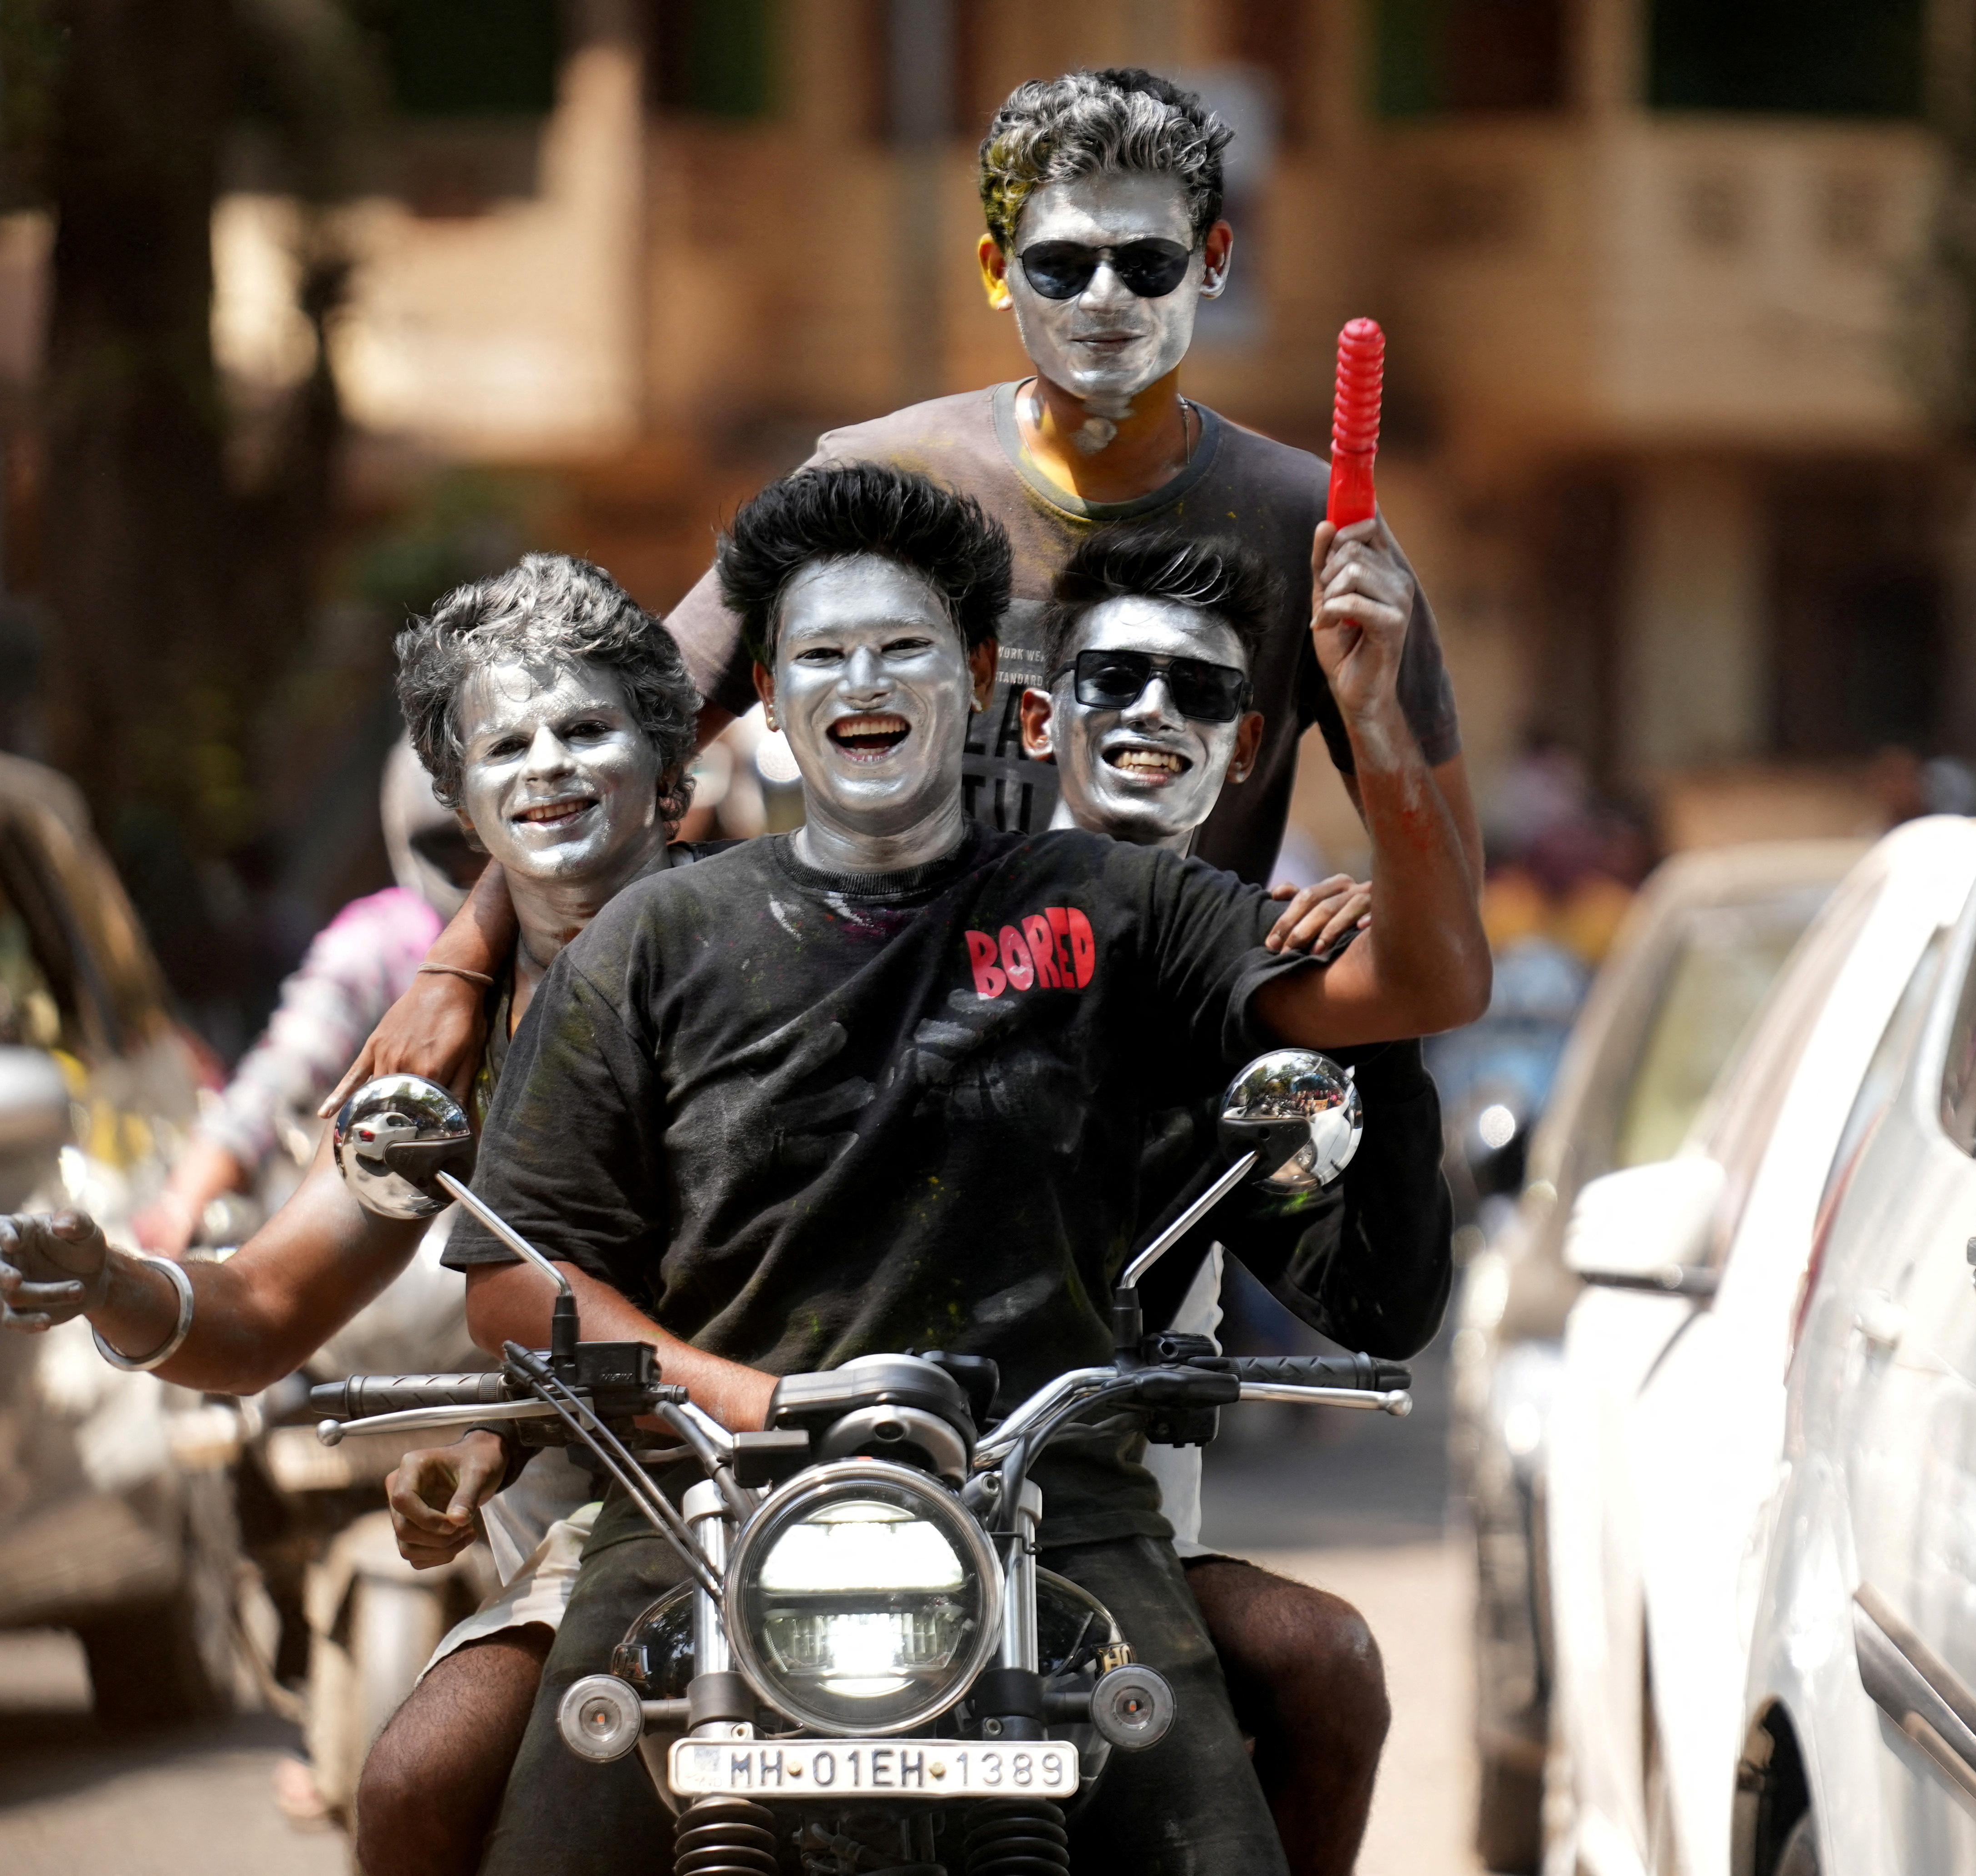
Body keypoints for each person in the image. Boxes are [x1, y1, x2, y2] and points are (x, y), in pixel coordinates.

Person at [410, 459, 1462, 1876]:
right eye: (821, 655)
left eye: (903, 647)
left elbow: (1425, 978)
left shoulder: (1117, 903)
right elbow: (513, 1285)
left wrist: (1376, 717)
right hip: (711, 1513)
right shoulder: (651, 940)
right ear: (771, 706)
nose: (864, 681)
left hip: (1054, 1516)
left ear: (977, 679)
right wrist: (746, 1398)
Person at [323, 64, 1489, 1114]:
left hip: (1131, 1130)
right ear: (996, 272)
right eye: (1059, 263)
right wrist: (459, 968)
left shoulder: (1309, 530)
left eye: (1145, 263)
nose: (1102, 299)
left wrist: (1370, 860)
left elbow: (1446, 923)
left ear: (1213, 264)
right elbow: (624, 744)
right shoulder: (877, 481)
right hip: (849, 1105)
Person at [0, 556, 714, 1871]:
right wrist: (118, 1278)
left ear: (673, 768)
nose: (548, 765)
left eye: (588, 729)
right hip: (621, 1532)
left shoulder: (804, 950)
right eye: (506, 743)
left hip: (866, 1479)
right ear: (457, 802)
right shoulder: (435, 1062)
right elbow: (261, 1307)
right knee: (417, 1781)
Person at [1015, 527, 1455, 1871]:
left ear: (1248, 743)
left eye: (1198, 689)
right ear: (1039, 716)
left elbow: (1377, 1301)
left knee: (1326, 1661)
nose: (1154, 711)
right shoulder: (908, 926)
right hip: (847, 1522)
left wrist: (1377, 1024)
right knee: (483, 1752)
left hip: (1115, 1541)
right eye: (1116, 678)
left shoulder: (1255, 993)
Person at [132, 743, 479, 1256]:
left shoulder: (581, 930)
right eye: (450, 850)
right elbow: (284, 1072)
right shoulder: (378, 945)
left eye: (484, 849)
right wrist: (182, 1203)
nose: (473, 873)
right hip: (420, 1256)